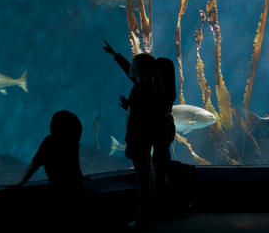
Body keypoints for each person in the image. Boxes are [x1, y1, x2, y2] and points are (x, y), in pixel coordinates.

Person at [103, 40, 177, 204]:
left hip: (141, 139)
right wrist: (116, 55)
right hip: (161, 132)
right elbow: (147, 110)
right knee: (160, 170)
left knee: (145, 176)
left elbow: (137, 120)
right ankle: (166, 205)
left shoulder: (140, 90)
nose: (131, 67)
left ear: (139, 70)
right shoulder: (158, 88)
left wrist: (130, 144)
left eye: (134, 64)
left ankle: (147, 212)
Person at [11, 110, 86, 201]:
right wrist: (80, 177)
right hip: (76, 187)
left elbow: (35, 165)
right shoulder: (72, 144)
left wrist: (20, 183)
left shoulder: (51, 142)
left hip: (59, 188)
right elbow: (75, 165)